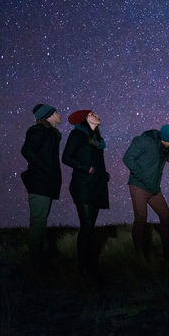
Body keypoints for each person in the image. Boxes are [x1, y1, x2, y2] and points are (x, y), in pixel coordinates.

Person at [122, 124, 169, 260]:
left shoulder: (165, 148)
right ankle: (139, 256)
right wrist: (143, 176)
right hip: (139, 186)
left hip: (154, 189)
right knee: (141, 220)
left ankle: (168, 254)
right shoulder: (143, 141)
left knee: (166, 217)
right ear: (165, 138)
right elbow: (127, 158)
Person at [62, 109, 110, 277]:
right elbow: (66, 157)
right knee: (87, 225)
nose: (97, 116)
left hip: (96, 186)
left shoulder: (97, 139)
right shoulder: (77, 135)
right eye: (92, 114)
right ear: (84, 119)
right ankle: (84, 266)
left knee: (90, 227)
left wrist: (104, 174)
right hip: (83, 185)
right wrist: (86, 168)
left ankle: (90, 264)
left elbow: (96, 161)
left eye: (97, 114)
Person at [20, 103, 62, 265]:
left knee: (40, 220)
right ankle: (34, 259)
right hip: (40, 182)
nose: (59, 114)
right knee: (38, 220)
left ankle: (37, 255)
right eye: (56, 112)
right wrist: (45, 168)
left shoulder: (50, 133)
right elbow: (27, 150)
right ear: (49, 115)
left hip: (45, 183)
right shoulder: (37, 130)